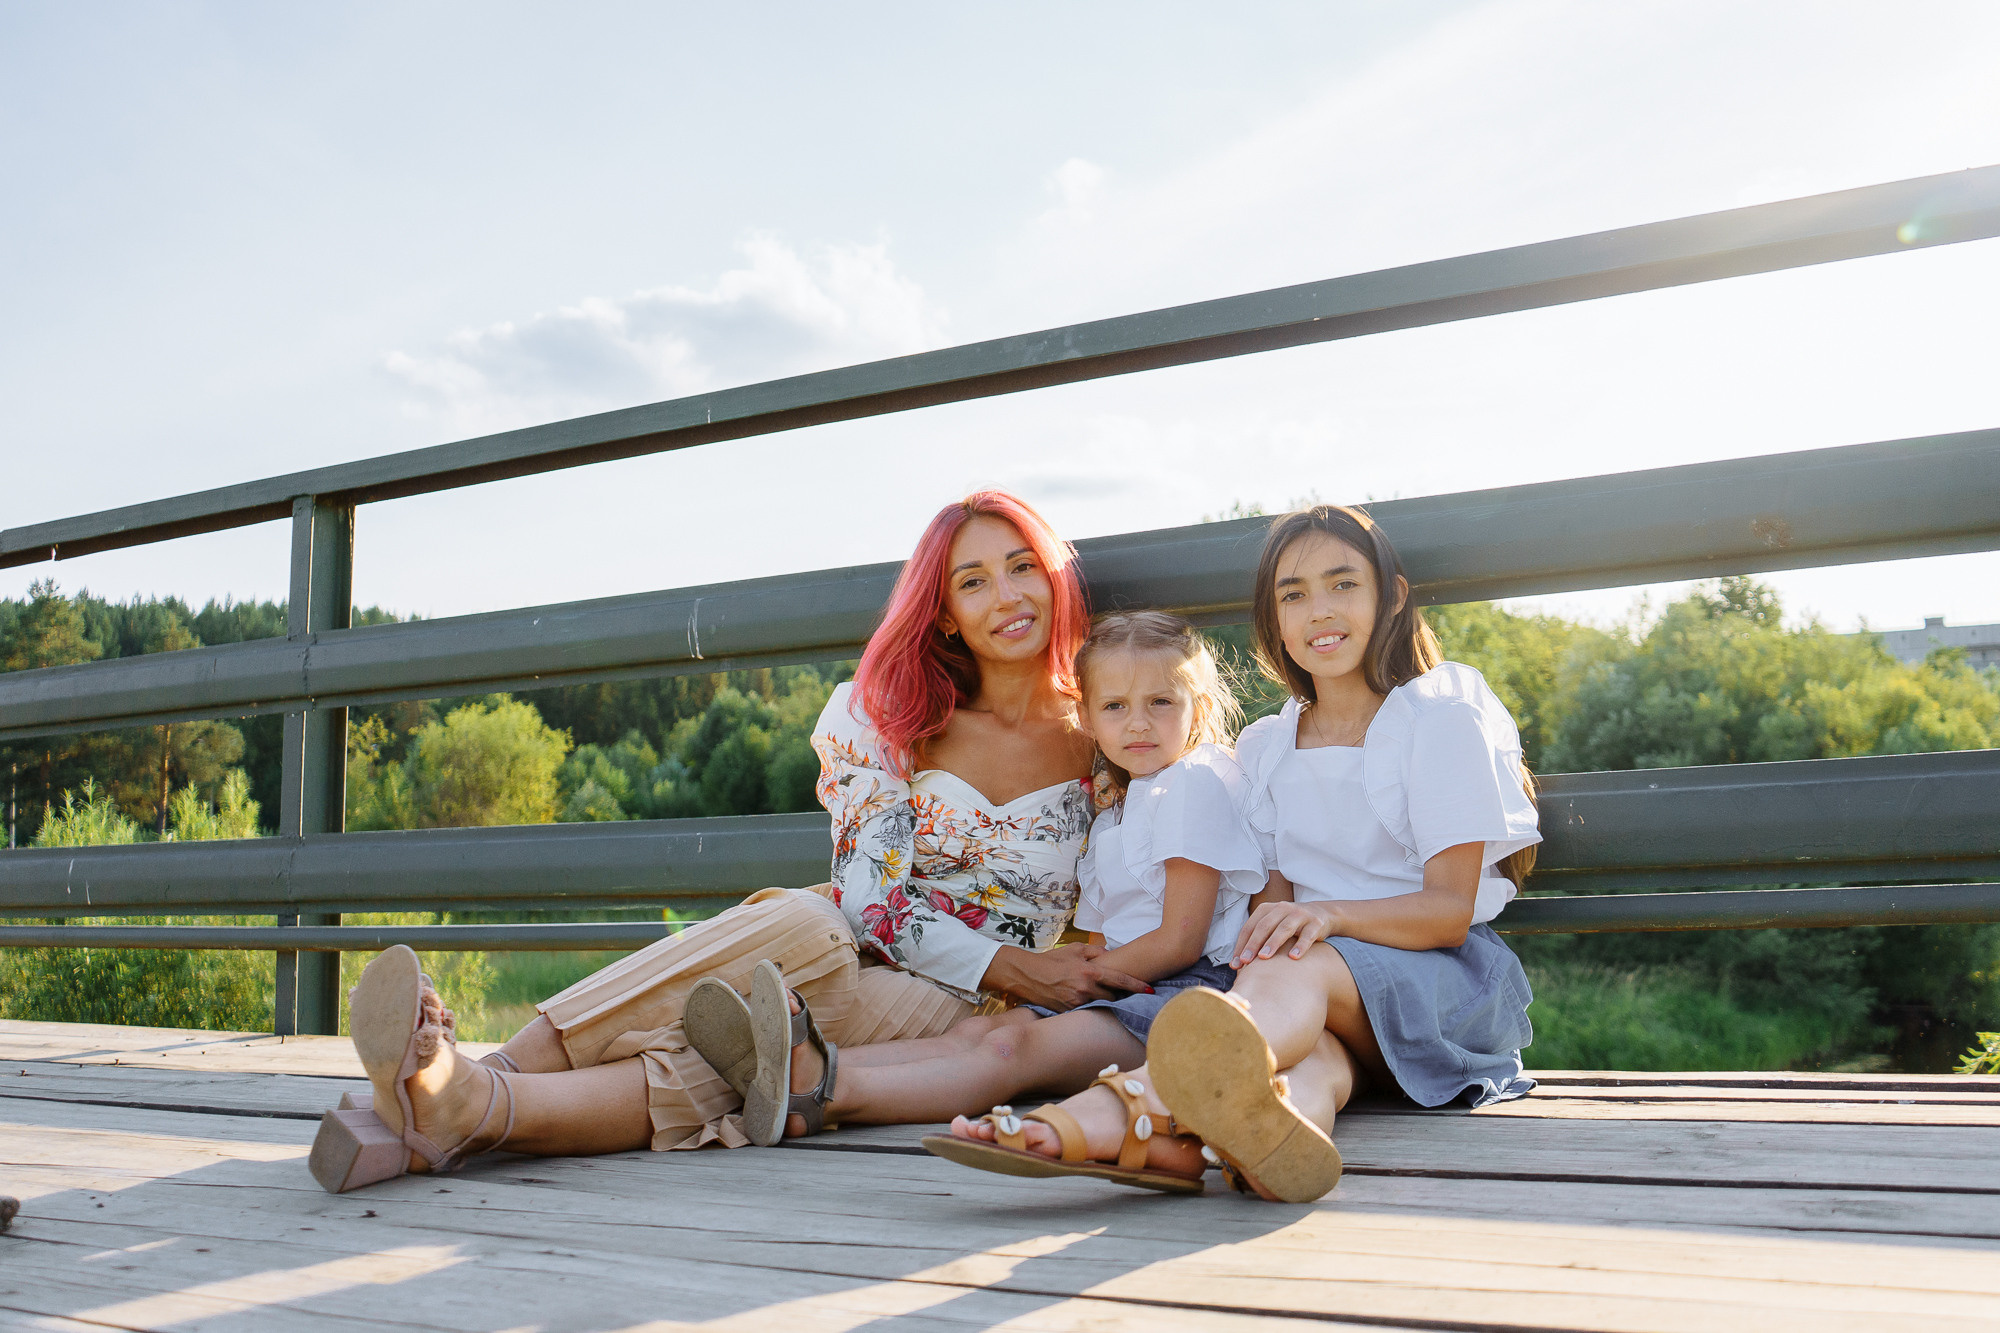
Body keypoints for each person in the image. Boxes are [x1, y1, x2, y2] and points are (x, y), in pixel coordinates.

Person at [309, 490, 1150, 1193]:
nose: (1006, 597)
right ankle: (486, 1086)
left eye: (1022, 568)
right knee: (809, 931)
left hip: (958, 1003)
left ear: (1054, 576)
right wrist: (1014, 964)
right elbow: (870, 898)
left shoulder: (1108, 736)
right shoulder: (896, 720)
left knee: (757, 1041)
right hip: (860, 937)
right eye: (974, 581)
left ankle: (467, 1099)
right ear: (948, 615)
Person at [934, 503, 1541, 1201]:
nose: (1320, 610)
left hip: (1440, 982)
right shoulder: (1268, 747)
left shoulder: (1436, 721)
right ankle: (1265, 1141)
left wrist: (1329, 919)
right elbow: (1273, 902)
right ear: (1272, 617)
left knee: (1292, 964)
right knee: (1314, 1062)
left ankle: (1120, 1110)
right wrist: (1290, 931)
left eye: (1343, 584)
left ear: (1391, 596)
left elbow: (1447, 912)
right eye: (1294, 594)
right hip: (1321, 1004)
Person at [686, 611, 1267, 1171]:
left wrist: (1086, 979)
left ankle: (825, 1093)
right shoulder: (1115, 808)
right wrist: (1077, 979)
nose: (1138, 723)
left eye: (1160, 702)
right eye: (1116, 706)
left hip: (1179, 998)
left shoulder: (1190, 786)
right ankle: (805, 1067)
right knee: (982, 1030)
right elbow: (1100, 931)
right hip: (1119, 986)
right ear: (1086, 718)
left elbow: (1183, 938)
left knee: (1011, 1051)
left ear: (1199, 710)